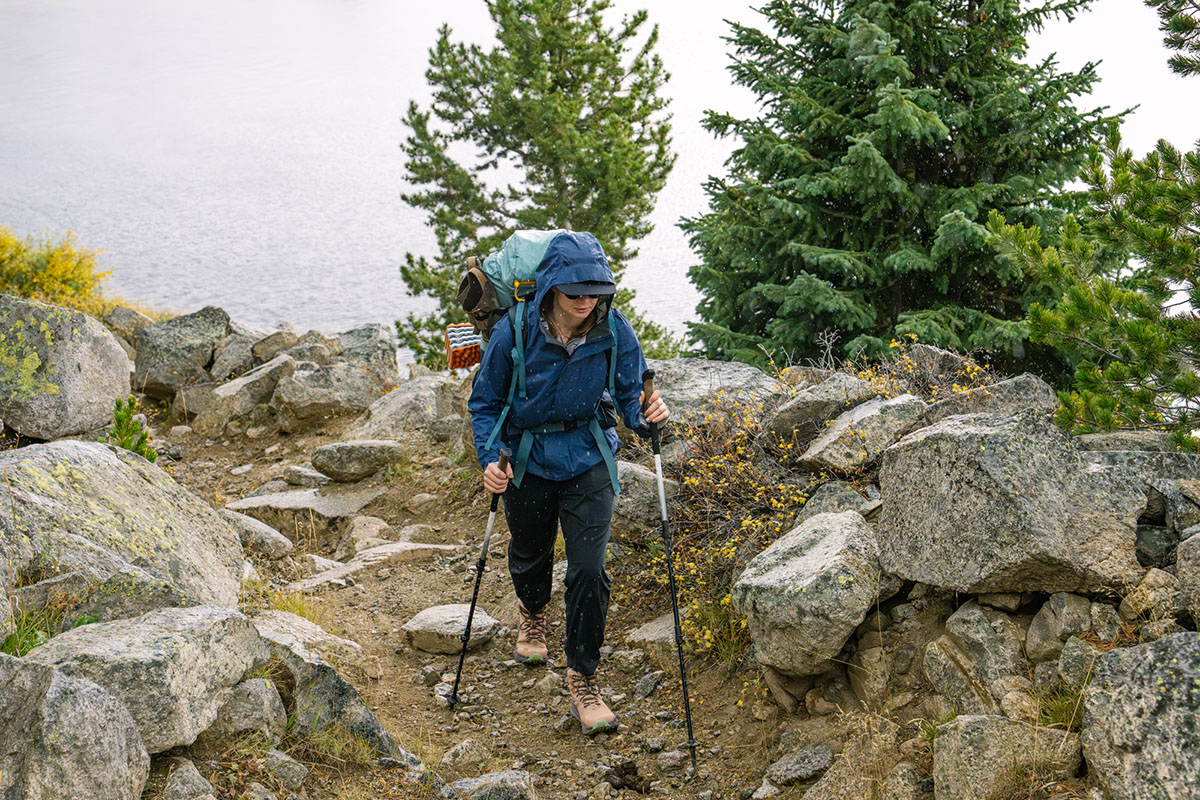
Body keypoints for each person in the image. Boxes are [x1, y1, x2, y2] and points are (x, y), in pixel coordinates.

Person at [468, 231, 669, 736]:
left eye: (595, 290)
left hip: (588, 459)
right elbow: (485, 403)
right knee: (530, 552)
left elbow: (629, 397)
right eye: (575, 290)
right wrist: (491, 459)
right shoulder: (514, 331)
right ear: (552, 286)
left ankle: (583, 675)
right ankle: (532, 610)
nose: (585, 300)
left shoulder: (613, 329)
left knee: (588, 570)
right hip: (528, 460)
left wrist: (647, 417)